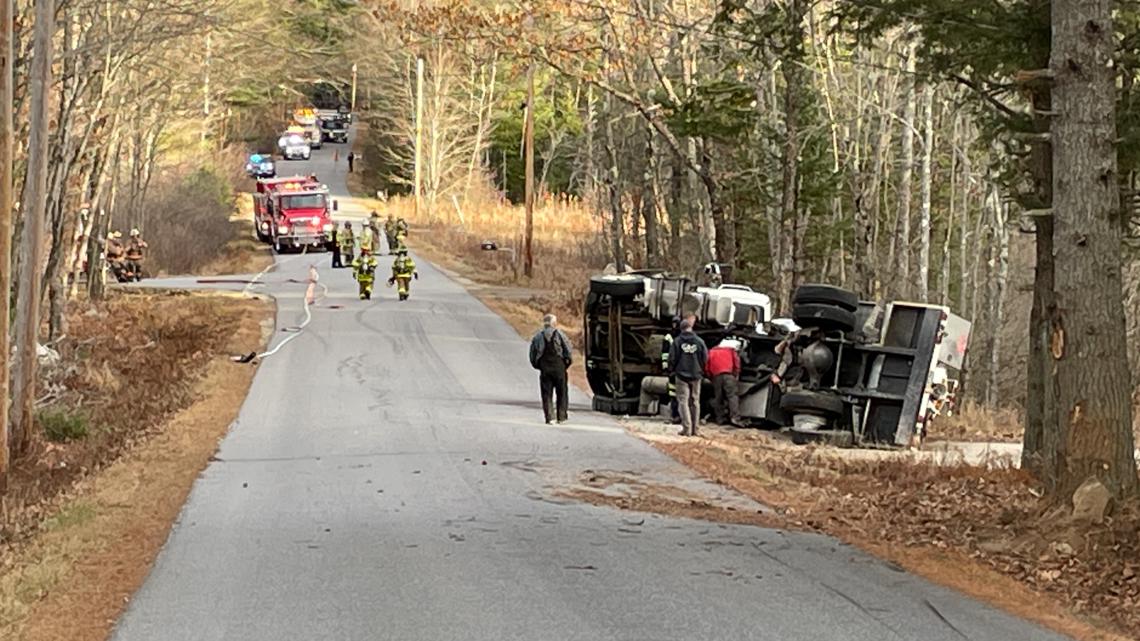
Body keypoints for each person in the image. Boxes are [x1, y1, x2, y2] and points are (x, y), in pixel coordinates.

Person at [528, 314, 573, 425]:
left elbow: (532, 354)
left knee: (546, 393)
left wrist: (538, 365)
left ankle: (550, 417)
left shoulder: (538, 337)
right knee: (562, 392)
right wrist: (567, 363)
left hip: (545, 369)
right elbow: (568, 350)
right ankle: (561, 417)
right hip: (559, 368)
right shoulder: (560, 334)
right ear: (554, 323)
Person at [668, 318, 708, 437]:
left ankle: (687, 429)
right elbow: (705, 358)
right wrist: (700, 370)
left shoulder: (677, 341)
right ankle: (696, 429)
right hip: (696, 375)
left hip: (681, 375)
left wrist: (672, 370)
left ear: (681, 329)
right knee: (695, 401)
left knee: (683, 401)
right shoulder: (700, 341)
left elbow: (672, 358)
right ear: (691, 328)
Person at [707, 338, 744, 427]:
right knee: (732, 396)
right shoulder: (730, 351)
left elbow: (706, 366)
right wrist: (736, 373)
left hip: (716, 376)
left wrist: (710, 376)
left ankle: (720, 418)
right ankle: (735, 418)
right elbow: (737, 363)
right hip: (729, 375)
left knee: (718, 397)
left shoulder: (711, 352)